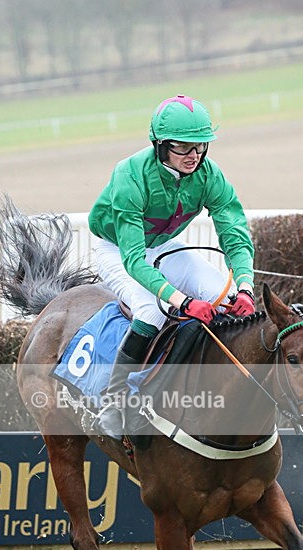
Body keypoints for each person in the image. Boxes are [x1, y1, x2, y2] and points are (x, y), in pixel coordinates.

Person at [88, 94, 255, 437]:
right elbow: (134, 260)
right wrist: (182, 301)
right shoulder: (129, 175)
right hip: (116, 249)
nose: (195, 156)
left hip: (163, 245)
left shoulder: (209, 174)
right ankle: (115, 400)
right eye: (184, 148)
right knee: (152, 310)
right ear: (161, 146)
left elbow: (235, 235)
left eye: (201, 147)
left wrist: (245, 287)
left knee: (222, 298)